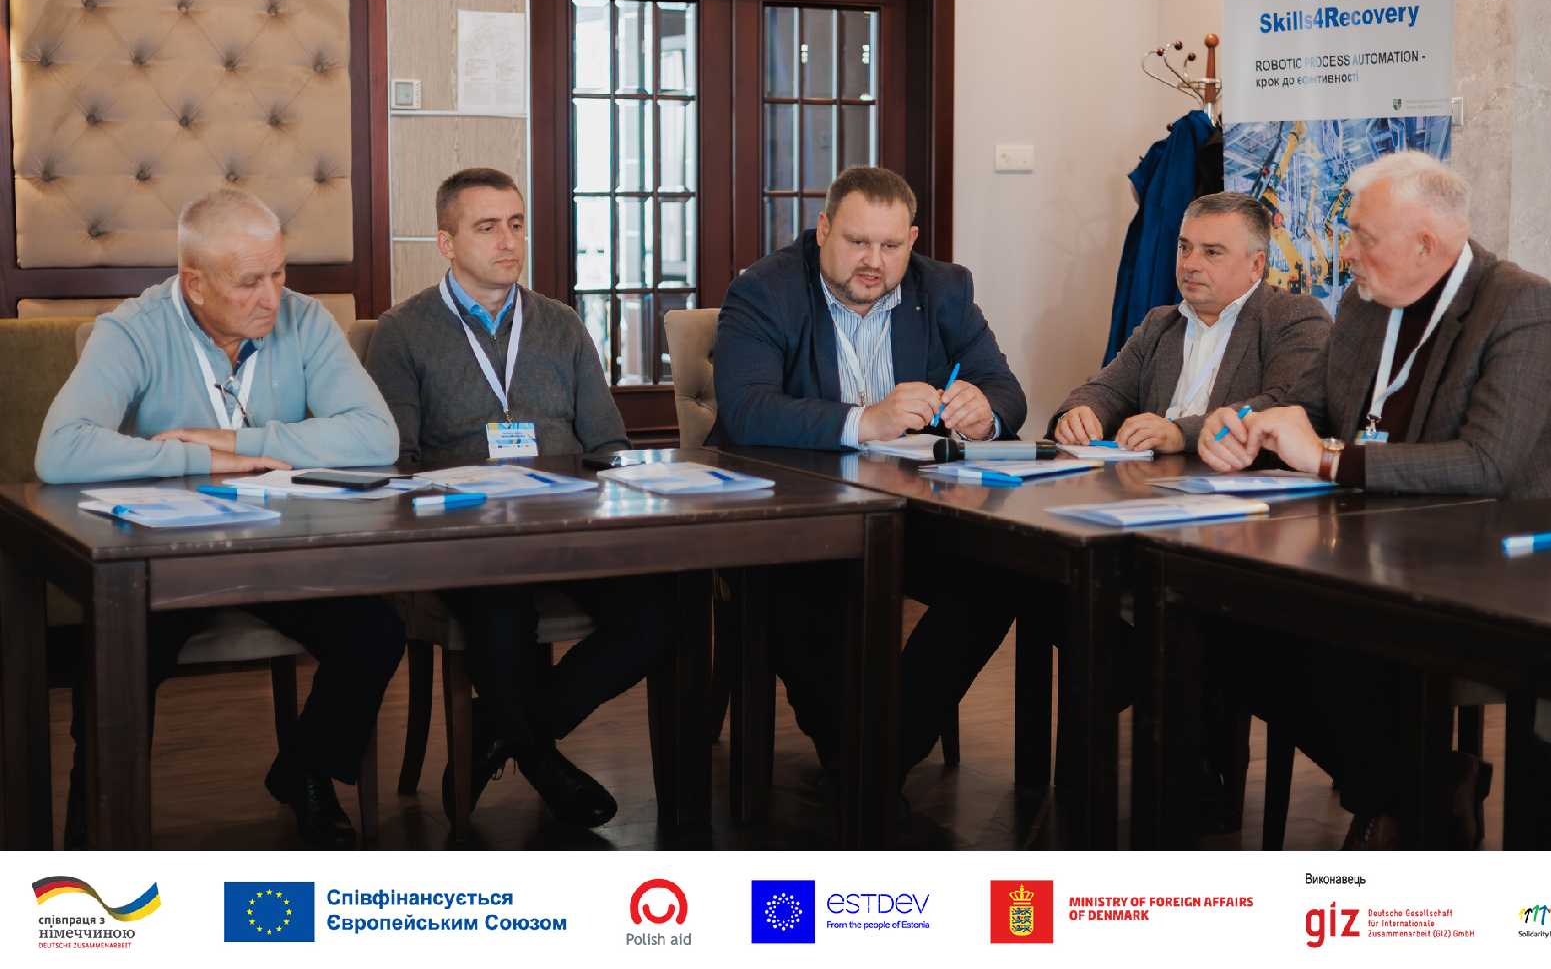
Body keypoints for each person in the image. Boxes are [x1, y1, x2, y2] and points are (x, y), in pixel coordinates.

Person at [1197, 151, 1551, 848]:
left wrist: (1329, 459)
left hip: (1505, 558)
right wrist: (1243, 423)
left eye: (1362, 237)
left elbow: (1487, 464)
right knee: (1220, 617)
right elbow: (1307, 403)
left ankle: (1412, 794)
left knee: (1329, 630)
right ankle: (1422, 789)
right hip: (1378, 541)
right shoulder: (1362, 302)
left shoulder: (1520, 305)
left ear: (1425, 245)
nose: (1346, 252)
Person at [36, 188, 405, 849]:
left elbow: (376, 437)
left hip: (279, 546)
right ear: (195, 283)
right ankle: (93, 841)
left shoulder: (305, 320)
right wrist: (197, 459)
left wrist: (237, 442)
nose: (272, 297)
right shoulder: (133, 329)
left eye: (279, 273)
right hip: (165, 559)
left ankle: (305, 770)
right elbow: (60, 451)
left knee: (375, 631)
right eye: (249, 282)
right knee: (115, 660)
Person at [364, 167, 672, 828]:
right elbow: (396, 464)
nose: (508, 242)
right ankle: (540, 761)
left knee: (660, 609)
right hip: (468, 540)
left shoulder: (561, 324)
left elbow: (607, 445)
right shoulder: (403, 332)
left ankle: (499, 730)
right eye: (487, 228)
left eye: (516, 224)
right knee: (501, 606)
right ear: (446, 242)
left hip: (569, 530)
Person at [712, 164, 1027, 783]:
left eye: (890, 246)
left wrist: (984, 413)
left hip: (911, 515)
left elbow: (1005, 390)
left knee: (997, 579)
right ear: (824, 229)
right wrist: (865, 420)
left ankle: (875, 758)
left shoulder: (945, 288)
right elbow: (747, 410)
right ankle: (867, 765)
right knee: (803, 598)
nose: (874, 263)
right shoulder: (764, 289)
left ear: (912, 240)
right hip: (795, 518)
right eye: (858, 242)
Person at [1050, 192, 1328, 453]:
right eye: (1184, 248)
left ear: (1256, 265)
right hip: (1153, 482)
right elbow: (1107, 390)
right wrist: (1080, 413)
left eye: (1212, 252)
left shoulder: (1294, 317)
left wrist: (1182, 433)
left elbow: (1286, 406)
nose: (1189, 264)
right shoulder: (1160, 323)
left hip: (1240, 484)